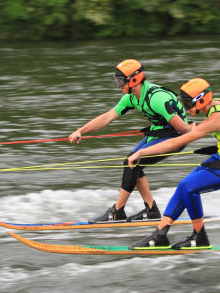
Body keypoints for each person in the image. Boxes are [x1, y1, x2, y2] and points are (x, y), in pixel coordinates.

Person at [127, 77, 220, 250]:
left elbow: (179, 141)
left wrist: (141, 152)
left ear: (202, 99)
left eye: (189, 103)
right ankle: (160, 234)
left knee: (189, 187)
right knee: (183, 187)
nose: (186, 108)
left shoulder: (217, 117)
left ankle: (199, 236)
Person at [68, 59, 193, 222]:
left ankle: (117, 211)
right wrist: (81, 130)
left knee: (131, 161)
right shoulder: (131, 97)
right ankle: (151, 210)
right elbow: (107, 117)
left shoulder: (156, 98)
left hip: (176, 137)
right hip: (159, 133)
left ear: (133, 80)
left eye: (120, 81)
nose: (118, 85)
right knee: (133, 162)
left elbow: (183, 130)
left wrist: (194, 128)